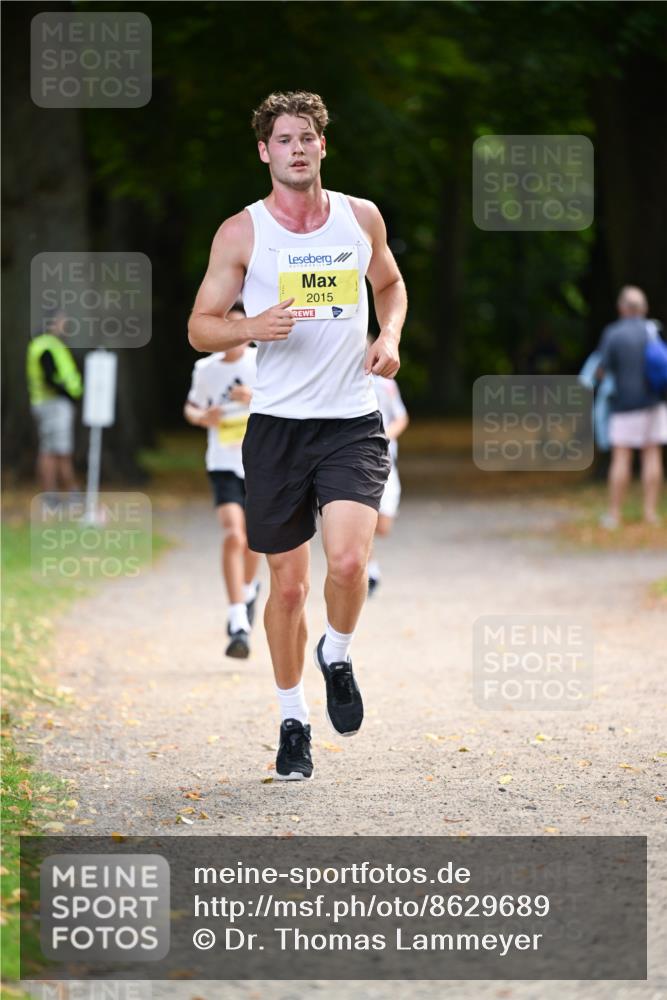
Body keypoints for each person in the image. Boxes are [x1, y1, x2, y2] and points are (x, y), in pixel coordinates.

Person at [188, 90, 406, 781]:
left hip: (350, 422)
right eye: (283, 139)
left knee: (345, 566)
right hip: (277, 429)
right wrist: (252, 327)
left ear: (321, 146)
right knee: (284, 591)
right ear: (264, 151)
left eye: (306, 137)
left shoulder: (357, 217)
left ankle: (336, 653)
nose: (296, 148)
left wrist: (389, 336)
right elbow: (200, 326)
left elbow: (391, 285)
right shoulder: (242, 233)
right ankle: (292, 719)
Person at [184, 305, 261, 658]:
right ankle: (237, 619)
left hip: (261, 462)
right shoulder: (206, 368)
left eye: (241, 327)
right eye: (229, 328)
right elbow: (191, 407)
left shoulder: (264, 361)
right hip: (223, 462)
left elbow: (291, 404)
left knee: (254, 542)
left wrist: (255, 399)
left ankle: (248, 589)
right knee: (234, 533)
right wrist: (203, 418)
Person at [596, 286, 667, 528]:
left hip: (625, 404)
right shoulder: (653, 330)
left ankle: (614, 515)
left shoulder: (613, 334)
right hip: (654, 403)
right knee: (652, 455)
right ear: (644, 308)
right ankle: (650, 513)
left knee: (621, 458)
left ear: (622, 308)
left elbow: (602, 369)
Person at [26, 311, 83, 497]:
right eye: (62, 321)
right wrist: (67, 394)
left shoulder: (47, 345)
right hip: (53, 405)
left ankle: (55, 493)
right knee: (58, 451)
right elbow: (50, 377)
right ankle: (64, 492)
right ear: (52, 323)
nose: (65, 325)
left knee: (51, 449)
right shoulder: (47, 346)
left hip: (49, 404)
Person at [368, 363, 409, 596]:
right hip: (358, 463)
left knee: (382, 527)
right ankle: (370, 570)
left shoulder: (385, 384)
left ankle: (364, 556)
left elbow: (401, 418)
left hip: (385, 460)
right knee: (359, 522)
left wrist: (384, 436)